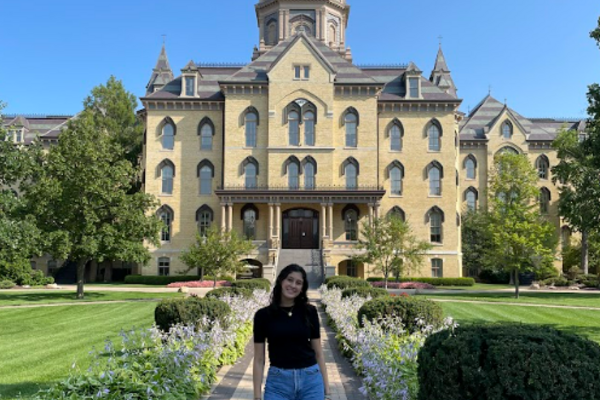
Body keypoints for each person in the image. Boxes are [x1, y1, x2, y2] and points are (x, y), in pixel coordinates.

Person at [253, 264, 331, 400]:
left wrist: (327, 390)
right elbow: (259, 359)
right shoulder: (263, 315)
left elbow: (318, 353)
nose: (293, 285)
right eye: (290, 280)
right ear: (281, 281)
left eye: (298, 283)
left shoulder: (310, 312)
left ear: (302, 289)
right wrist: (257, 396)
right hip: (278, 383)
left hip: (311, 380)